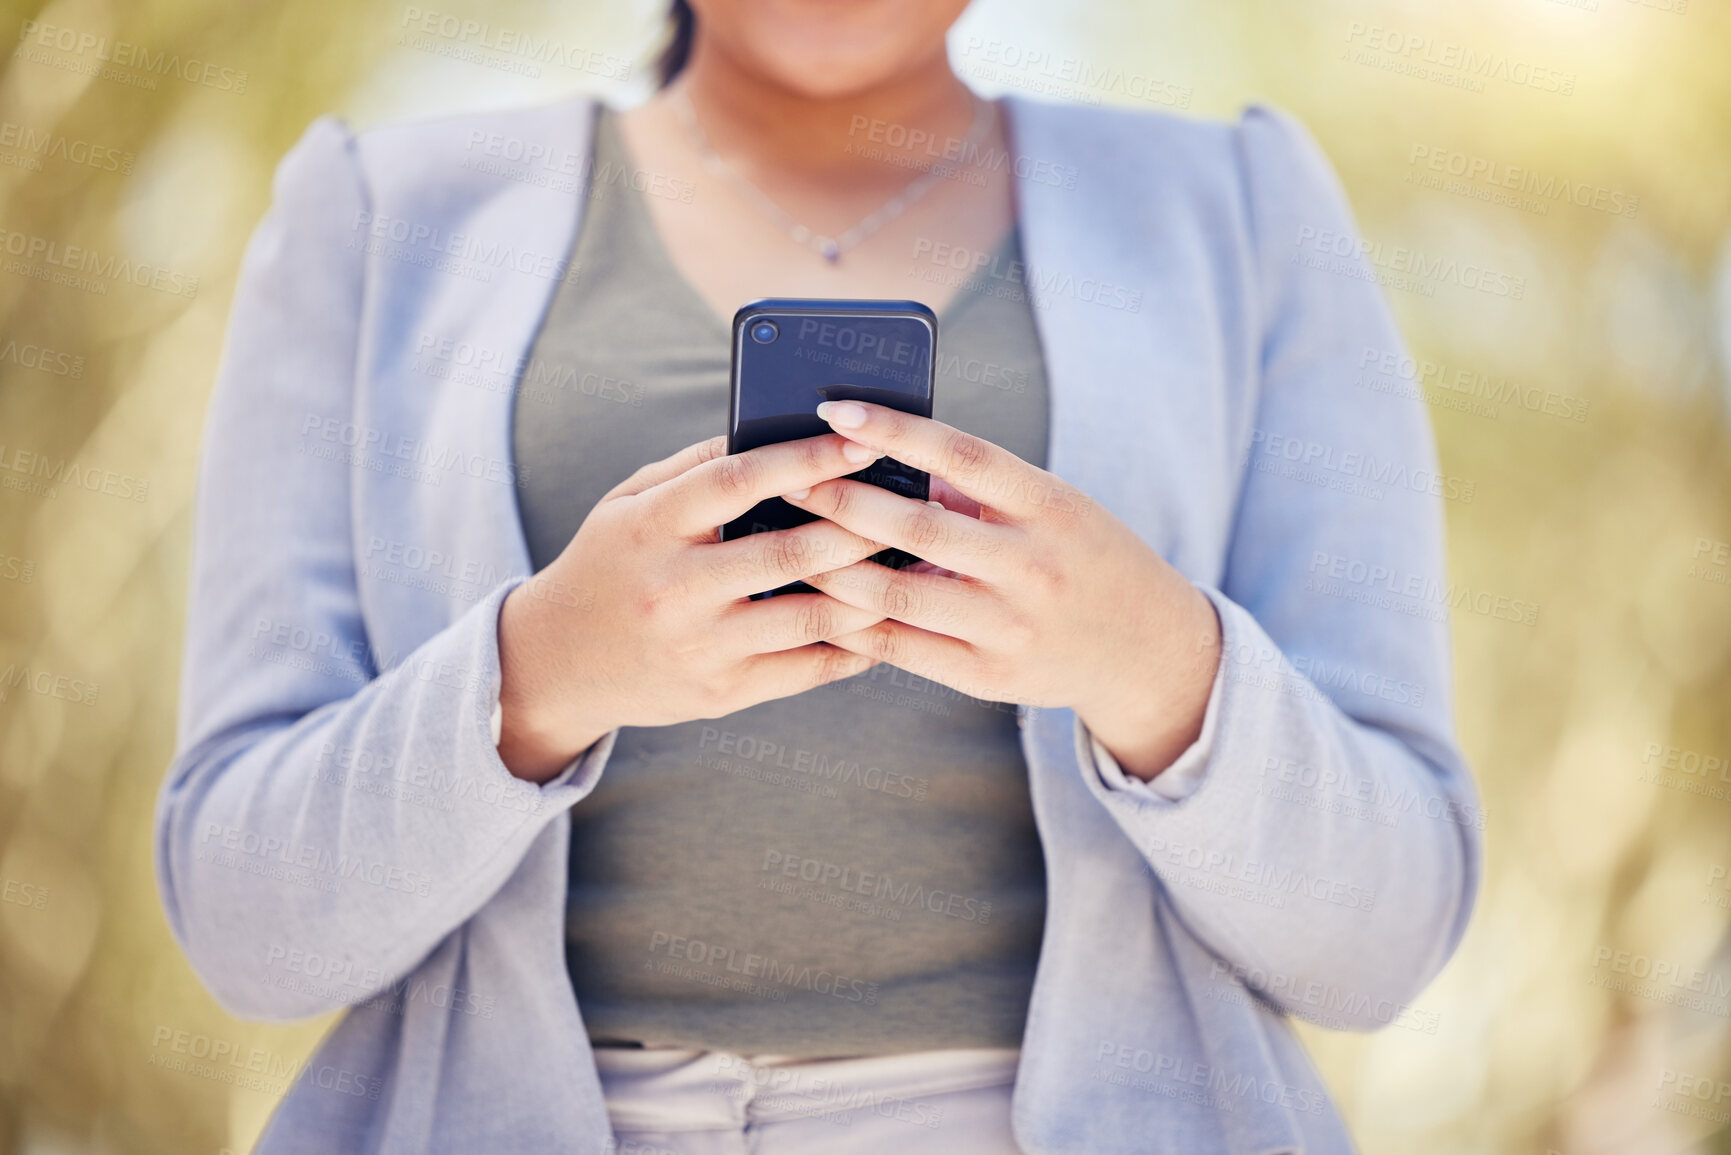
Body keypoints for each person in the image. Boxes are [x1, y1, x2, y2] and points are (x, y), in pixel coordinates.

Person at [155, 0, 1482, 1151]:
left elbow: (1385, 936)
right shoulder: (381, 213)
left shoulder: (1241, 212)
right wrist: (539, 674)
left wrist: (1160, 664)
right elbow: (242, 921)